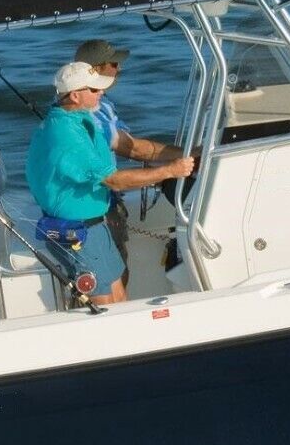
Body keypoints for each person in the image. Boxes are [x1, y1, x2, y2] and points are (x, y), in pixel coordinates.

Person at [27, 61, 194, 305]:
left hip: (96, 226)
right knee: (104, 305)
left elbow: (126, 151)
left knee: (120, 296)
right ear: (74, 95)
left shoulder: (81, 119)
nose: (102, 92)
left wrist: (174, 162)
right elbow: (114, 181)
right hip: (77, 233)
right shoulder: (65, 135)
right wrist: (169, 171)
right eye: (94, 89)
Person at [72, 39, 186, 283]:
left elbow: (129, 143)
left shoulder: (101, 103)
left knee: (117, 272)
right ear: (96, 70)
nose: (120, 69)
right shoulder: (89, 114)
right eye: (114, 64)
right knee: (113, 277)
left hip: (103, 200)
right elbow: (133, 149)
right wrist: (182, 159)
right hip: (93, 208)